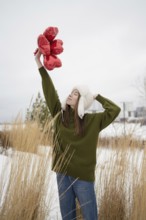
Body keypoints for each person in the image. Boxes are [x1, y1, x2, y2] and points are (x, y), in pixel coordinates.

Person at [35, 49, 121, 220]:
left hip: (83, 178)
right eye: (71, 92)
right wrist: (39, 62)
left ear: (81, 100)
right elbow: (49, 90)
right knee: (68, 217)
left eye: (76, 94)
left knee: (90, 217)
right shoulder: (59, 116)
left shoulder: (92, 121)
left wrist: (96, 96)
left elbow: (115, 110)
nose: (70, 94)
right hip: (62, 175)